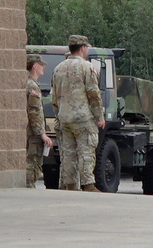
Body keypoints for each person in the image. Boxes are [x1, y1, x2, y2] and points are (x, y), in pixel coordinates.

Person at [50, 35, 105, 192]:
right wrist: (99, 117)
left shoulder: (58, 68)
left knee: (68, 153)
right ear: (82, 48)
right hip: (83, 117)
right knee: (86, 149)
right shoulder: (86, 67)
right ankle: (88, 184)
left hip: (65, 118)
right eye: (87, 47)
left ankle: (71, 185)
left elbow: (54, 97)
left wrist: (59, 114)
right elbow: (93, 94)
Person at [26, 54, 53, 188]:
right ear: (35, 66)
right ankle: (29, 187)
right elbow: (34, 111)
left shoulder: (31, 84)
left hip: (33, 132)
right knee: (33, 162)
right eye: (41, 65)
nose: (43, 67)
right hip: (33, 134)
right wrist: (42, 133)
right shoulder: (32, 86)